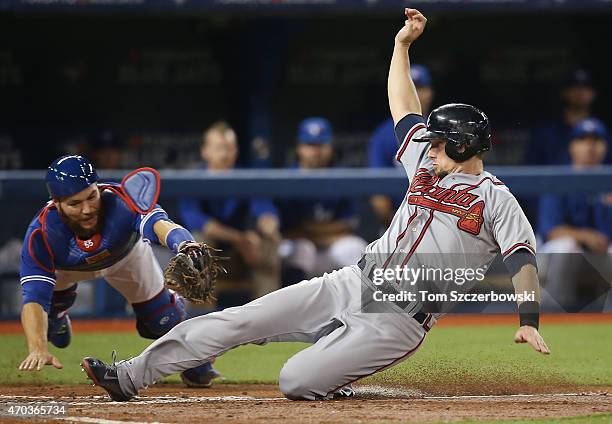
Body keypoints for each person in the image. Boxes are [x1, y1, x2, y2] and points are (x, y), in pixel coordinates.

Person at [82, 9, 549, 403]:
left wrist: (528, 320)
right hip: (353, 282)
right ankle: (128, 378)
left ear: (466, 145)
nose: (430, 147)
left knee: (296, 381)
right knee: (239, 318)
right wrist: (401, 47)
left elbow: (523, 260)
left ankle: (335, 363)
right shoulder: (425, 166)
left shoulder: (495, 198)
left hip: (399, 320)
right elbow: (403, 108)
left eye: (441, 143)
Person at [18, 155, 220, 388]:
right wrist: (38, 349)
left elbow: (159, 224)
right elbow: (34, 298)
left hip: (125, 257)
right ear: (56, 203)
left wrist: (185, 245)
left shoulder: (122, 202)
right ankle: (58, 318)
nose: (86, 210)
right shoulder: (41, 234)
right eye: (74, 203)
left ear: (97, 188)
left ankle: (196, 365)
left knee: (162, 319)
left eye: (91, 196)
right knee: (50, 319)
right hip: (66, 270)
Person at [178, 121, 281, 299]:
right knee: (198, 244)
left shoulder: (245, 178)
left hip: (243, 255)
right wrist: (240, 238)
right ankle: (199, 317)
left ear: (236, 151)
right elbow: (199, 222)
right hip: (213, 254)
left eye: (230, 148)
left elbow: (265, 210)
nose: (225, 154)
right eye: (219, 148)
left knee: (270, 240)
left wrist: (268, 229)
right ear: (205, 151)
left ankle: (270, 315)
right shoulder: (192, 180)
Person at [278, 117, 367, 283]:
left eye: (321, 145)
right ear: (299, 148)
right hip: (301, 248)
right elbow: (286, 231)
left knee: (358, 249)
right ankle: (294, 306)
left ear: (330, 147)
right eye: (310, 145)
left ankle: (358, 308)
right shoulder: (286, 178)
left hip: (330, 248)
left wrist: (309, 230)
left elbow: (348, 226)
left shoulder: (342, 176)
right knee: (300, 249)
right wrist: (322, 231)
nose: (316, 151)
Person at [537, 118, 611, 310]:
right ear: (572, 146)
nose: (590, 146)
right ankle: (554, 313)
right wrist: (586, 236)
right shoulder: (560, 179)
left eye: (596, 140)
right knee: (565, 246)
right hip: (559, 255)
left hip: (600, 256)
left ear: (605, 146)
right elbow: (550, 230)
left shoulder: (609, 181)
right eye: (583, 139)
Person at [368, 64, 434, 226]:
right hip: (399, 222)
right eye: (410, 88)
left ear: (430, 93)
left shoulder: (442, 129)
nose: (415, 95)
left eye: (420, 88)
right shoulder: (383, 135)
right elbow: (378, 194)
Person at [526, 69, 599, 165]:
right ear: (564, 92)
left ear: (594, 93)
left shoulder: (603, 133)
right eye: (574, 87)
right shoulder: (546, 134)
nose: (580, 92)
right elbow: (529, 172)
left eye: (585, 87)